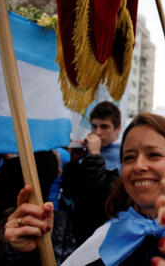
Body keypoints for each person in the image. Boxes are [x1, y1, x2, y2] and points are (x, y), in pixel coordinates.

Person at [4, 113, 165, 266]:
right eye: (129, 157)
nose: (139, 166)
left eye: (154, 155)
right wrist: (24, 254)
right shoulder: (107, 235)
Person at [60, 101, 122, 245]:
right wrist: (74, 162)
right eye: (94, 126)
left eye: (104, 127)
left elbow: (104, 197)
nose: (98, 132)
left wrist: (95, 155)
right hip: (82, 233)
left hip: (108, 234)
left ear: (117, 129)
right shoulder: (87, 154)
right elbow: (70, 194)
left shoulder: (123, 156)